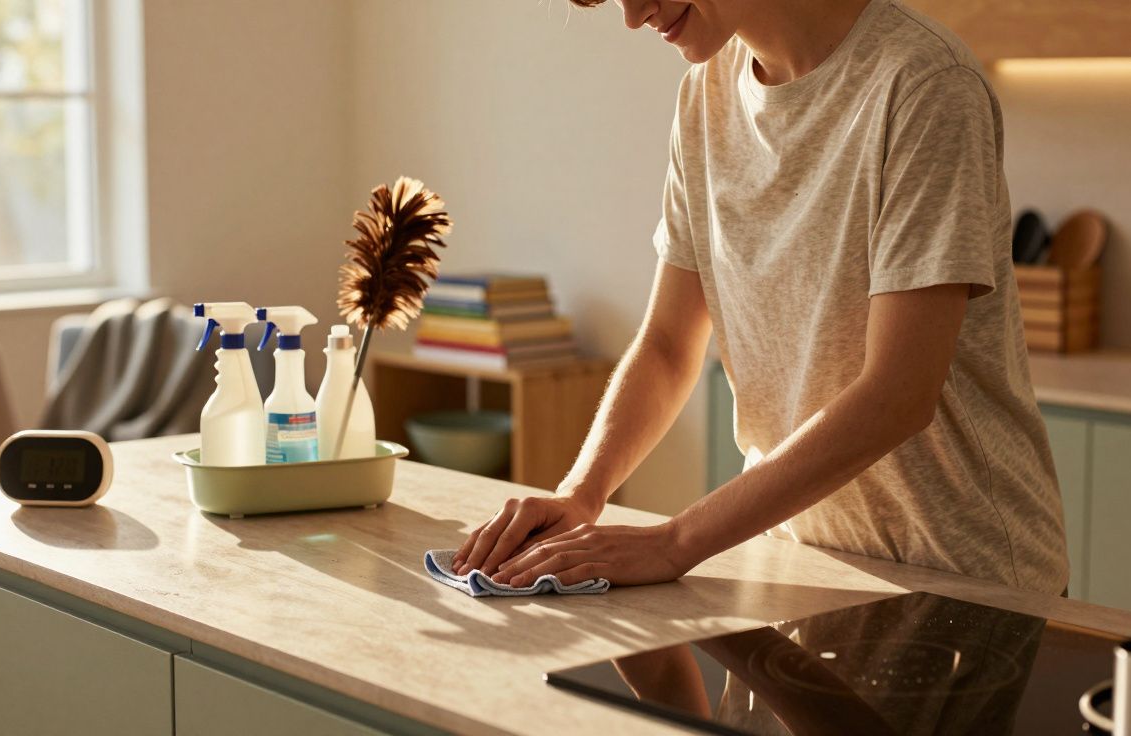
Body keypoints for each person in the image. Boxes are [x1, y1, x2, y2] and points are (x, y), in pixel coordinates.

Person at [452, 0, 1069, 596]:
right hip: (798, 568)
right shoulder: (705, 95)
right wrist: (582, 494)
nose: (634, 15)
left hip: (963, 580)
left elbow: (899, 393)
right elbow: (668, 345)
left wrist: (675, 542)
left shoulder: (925, 83)